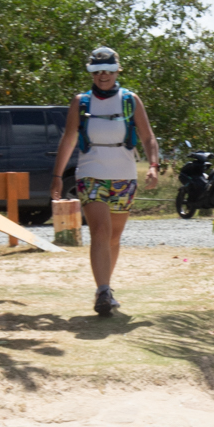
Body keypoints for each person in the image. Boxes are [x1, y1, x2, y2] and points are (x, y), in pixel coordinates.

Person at [49, 47, 160, 316]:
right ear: (91, 73)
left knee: (113, 237)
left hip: (124, 176)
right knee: (100, 230)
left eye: (108, 70)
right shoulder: (81, 102)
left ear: (117, 71)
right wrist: (56, 177)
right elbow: (69, 139)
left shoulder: (130, 100)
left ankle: (105, 289)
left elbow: (148, 138)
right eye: (97, 71)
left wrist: (154, 166)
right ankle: (103, 291)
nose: (102, 75)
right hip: (90, 174)